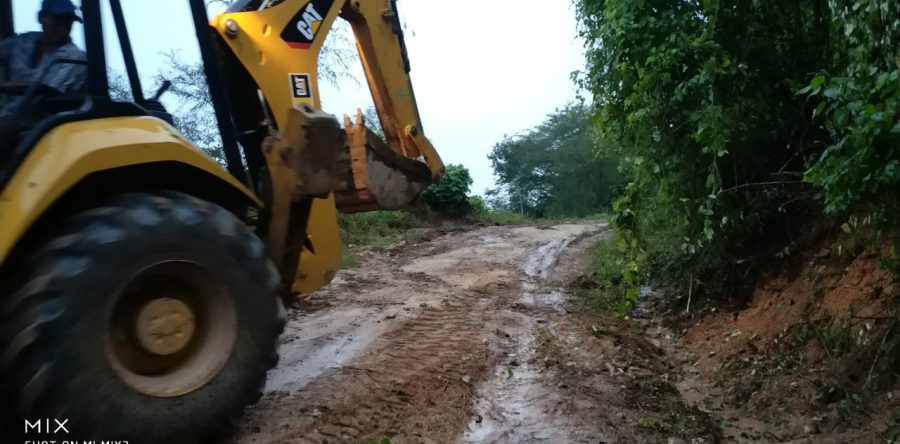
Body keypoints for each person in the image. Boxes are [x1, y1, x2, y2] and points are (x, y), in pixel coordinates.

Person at [0, 0, 87, 116]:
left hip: (42, 123)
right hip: (9, 119)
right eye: (58, 21)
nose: (63, 30)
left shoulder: (74, 57)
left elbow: (44, 88)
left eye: (68, 24)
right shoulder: (21, 42)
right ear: (41, 17)